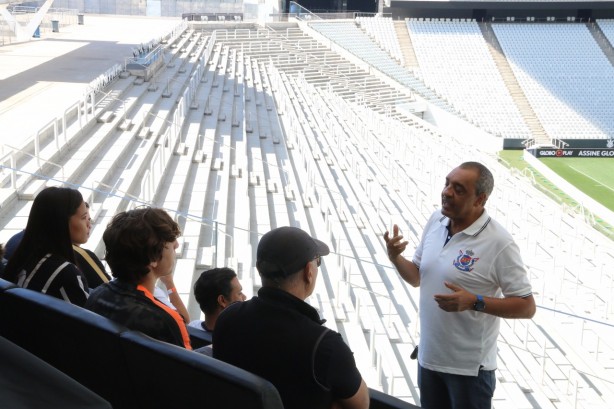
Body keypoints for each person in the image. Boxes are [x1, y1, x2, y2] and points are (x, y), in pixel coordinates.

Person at [384, 161, 536, 409]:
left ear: (480, 199)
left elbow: (527, 307)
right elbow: (416, 277)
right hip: (428, 360)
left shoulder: (500, 243)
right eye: (447, 184)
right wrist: (395, 257)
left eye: (459, 189)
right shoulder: (436, 221)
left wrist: (474, 301)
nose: (446, 192)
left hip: (469, 372)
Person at [213, 226, 369, 409]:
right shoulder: (325, 346)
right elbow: (361, 404)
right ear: (308, 272)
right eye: (317, 262)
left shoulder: (227, 318)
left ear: (259, 269)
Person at [85, 207, 191, 350]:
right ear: (153, 258)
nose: (176, 244)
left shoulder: (96, 295)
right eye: (170, 240)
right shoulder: (166, 320)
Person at [2, 187, 90, 306]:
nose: (89, 224)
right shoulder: (66, 274)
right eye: (84, 217)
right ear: (62, 222)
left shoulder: (24, 255)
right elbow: (86, 321)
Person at [189, 267, 246, 333]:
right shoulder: (242, 339)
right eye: (239, 293)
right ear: (222, 301)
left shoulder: (192, 328)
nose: (244, 297)